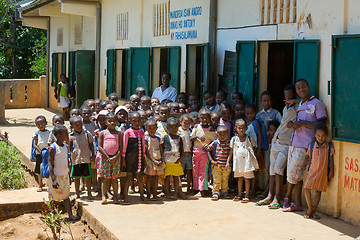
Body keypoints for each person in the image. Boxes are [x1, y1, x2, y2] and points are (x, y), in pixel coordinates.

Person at [283, 79, 327, 212]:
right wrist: (294, 124)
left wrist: (302, 123)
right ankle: (297, 203)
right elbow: (300, 121)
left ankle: (287, 198)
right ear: (296, 91)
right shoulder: (301, 103)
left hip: (306, 144)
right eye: (298, 89)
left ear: (308, 87)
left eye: (303, 87)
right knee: (296, 174)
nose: (301, 90)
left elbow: (321, 125)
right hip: (294, 142)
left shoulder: (317, 104)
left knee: (292, 173)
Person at [257, 84, 298, 209]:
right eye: (286, 96)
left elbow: (306, 100)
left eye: (290, 96)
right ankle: (270, 195)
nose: (288, 99)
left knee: (279, 170)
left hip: (286, 144)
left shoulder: (298, 107)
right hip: (276, 142)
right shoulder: (286, 109)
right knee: (272, 170)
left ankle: (277, 197)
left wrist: (295, 101)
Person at [304, 124, 334, 219]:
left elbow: (331, 160)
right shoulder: (312, 146)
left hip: (322, 172)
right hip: (312, 171)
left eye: (323, 136)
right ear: (315, 135)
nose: (321, 138)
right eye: (318, 136)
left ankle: (313, 211)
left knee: (318, 192)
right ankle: (310, 209)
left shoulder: (329, 146)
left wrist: (331, 171)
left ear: (326, 136)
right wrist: (307, 169)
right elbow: (309, 159)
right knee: (307, 189)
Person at [48, 125, 78, 220]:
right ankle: (52, 217)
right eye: (66, 133)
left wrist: (69, 175)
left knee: (66, 197)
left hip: (65, 176)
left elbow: (67, 161)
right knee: (52, 198)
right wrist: (53, 180)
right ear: (59, 136)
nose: (68, 135)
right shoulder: (53, 148)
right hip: (56, 177)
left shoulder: (66, 146)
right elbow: (50, 164)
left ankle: (70, 215)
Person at [229, 119, 258, 203]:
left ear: (246, 128)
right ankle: (239, 194)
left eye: (243, 128)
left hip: (247, 163)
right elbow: (231, 152)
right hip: (238, 163)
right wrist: (228, 161)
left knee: (247, 179)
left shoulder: (249, 138)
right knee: (239, 178)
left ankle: (246, 195)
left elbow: (253, 151)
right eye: (239, 128)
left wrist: (255, 164)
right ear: (236, 128)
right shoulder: (234, 139)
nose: (241, 130)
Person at [190, 108, 217, 197]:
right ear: (199, 118)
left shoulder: (211, 129)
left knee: (203, 172)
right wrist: (197, 136)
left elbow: (216, 140)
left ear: (210, 118)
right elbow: (191, 138)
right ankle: (196, 188)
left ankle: (202, 190)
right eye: (202, 118)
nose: (204, 120)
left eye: (206, 118)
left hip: (205, 154)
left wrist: (209, 145)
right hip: (195, 152)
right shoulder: (197, 127)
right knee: (195, 171)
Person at [122, 112, 146, 204]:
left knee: (140, 176)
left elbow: (143, 145)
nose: (137, 123)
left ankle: (142, 195)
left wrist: (143, 156)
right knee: (128, 177)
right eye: (134, 121)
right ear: (130, 121)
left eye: (138, 121)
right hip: (129, 158)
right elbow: (125, 145)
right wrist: (123, 158)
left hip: (139, 157)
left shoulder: (141, 132)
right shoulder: (127, 132)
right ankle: (126, 196)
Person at [97, 113, 122, 204]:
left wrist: (115, 157)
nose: (112, 123)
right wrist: (107, 157)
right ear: (106, 122)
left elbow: (121, 147)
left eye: (114, 121)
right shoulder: (102, 133)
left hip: (116, 159)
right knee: (105, 178)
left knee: (114, 178)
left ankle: (115, 196)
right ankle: (104, 196)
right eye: (110, 121)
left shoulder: (119, 133)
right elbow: (100, 147)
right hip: (105, 159)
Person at [69, 116, 95, 199]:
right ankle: (77, 193)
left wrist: (93, 155)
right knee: (76, 178)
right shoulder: (70, 136)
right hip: (76, 160)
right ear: (72, 126)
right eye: (76, 125)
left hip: (86, 159)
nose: (79, 126)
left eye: (80, 124)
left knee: (87, 177)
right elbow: (68, 148)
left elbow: (91, 144)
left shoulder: (87, 134)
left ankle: (89, 193)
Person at [206, 125, 231, 200]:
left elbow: (231, 152)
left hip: (226, 166)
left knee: (225, 179)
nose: (222, 136)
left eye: (224, 135)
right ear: (217, 134)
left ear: (227, 134)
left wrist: (229, 162)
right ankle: (215, 192)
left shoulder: (229, 143)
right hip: (216, 165)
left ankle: (224, 192)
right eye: (220, 134)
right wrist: (211, 160)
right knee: (216, 180)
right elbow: (207, 149)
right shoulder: (215, 143)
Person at [164, 117, 186, 200]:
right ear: (167, 128)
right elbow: (162, 148)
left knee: (176, 178)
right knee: (167, 178)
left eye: (176, 127)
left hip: (176, 161)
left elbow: (182, 149)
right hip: (167, 161)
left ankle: (176, 193)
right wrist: (163, 159)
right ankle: (167, 193)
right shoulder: (165, 137)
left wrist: (181, 158)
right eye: (172, 127)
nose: (174, 129)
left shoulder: (179, 138)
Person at [144, 119, 166, 200]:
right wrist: (153, 160)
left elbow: (161, 150)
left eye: (154, 128)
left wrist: (161, 159)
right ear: (146, 128)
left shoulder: (159, 138)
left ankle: (155, 193)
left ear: (156, 128)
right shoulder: (146, 138)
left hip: (158, 160)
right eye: (150, 128)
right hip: (150, 161)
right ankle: (149, 194)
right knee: (149, 178)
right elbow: (146, 152)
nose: (152, 130)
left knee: (156, 178)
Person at [32, 115, 51, 192]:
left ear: (46, 123)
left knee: (49, 169)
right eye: (38, 124)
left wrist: (47, 151)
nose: (40, 126)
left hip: (48, 154)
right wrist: (41, 152)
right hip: (39, 154)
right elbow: (34, 145)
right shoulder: (36, 134)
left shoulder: (50, 133)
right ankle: (40, 185)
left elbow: (51, 143)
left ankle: (49, 185)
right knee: (39, 170)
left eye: (42, 124)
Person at [178, 114, 193, 193]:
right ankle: (179, 188)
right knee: (180, 172)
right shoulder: (178, 131)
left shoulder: (190, 131)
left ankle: (188, 187)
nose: (186, 125)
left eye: (188, 123)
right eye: (184, 123)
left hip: (189, 154)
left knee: (189, 171)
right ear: (180, 122)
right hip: (181, 155)